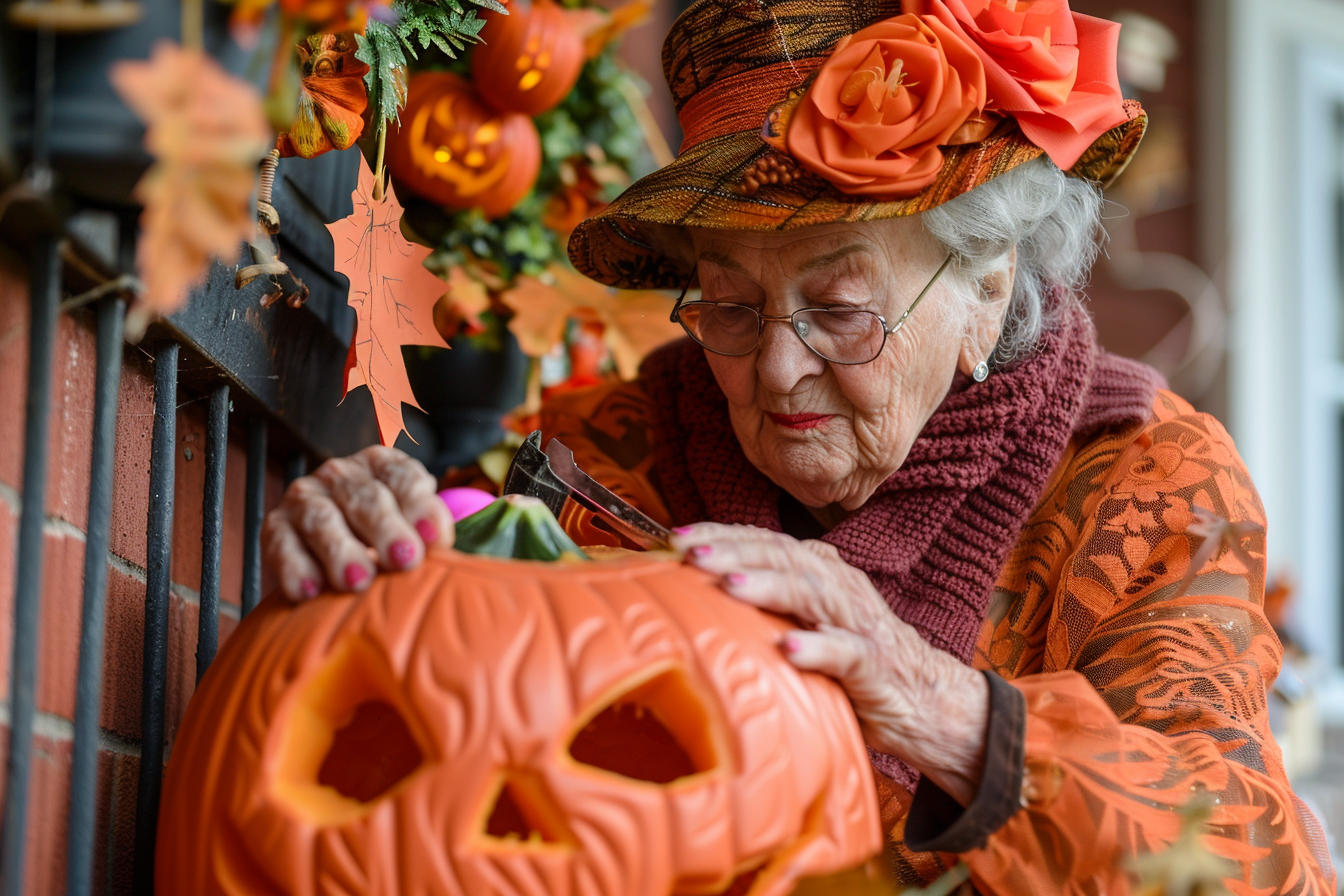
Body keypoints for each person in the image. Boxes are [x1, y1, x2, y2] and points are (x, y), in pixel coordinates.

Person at [262, 0, 1338, 891]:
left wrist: (938, 703)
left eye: (838, 308)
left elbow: (1251, 853)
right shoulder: (603, 454)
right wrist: (380, 565)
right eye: (729, 306)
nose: (775, 370)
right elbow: (448, 764)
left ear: (987, 286)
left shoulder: (1142, 484)